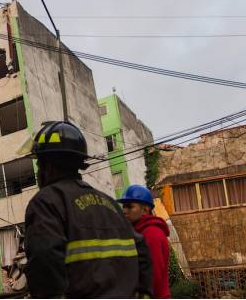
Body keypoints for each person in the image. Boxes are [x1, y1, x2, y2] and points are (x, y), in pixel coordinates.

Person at [23, 121, 153, 298]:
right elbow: (142, 249)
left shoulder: (46, 202)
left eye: (39, 166)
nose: (39, 173)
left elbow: (44, 263)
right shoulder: (111, 204)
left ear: (49, 167)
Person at [119, 185, 171, 299]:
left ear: (145, 209)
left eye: (129, 207)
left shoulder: (151, 233)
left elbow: (153, 276)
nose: (124, 211)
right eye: (123, 206)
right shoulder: (137, 231)